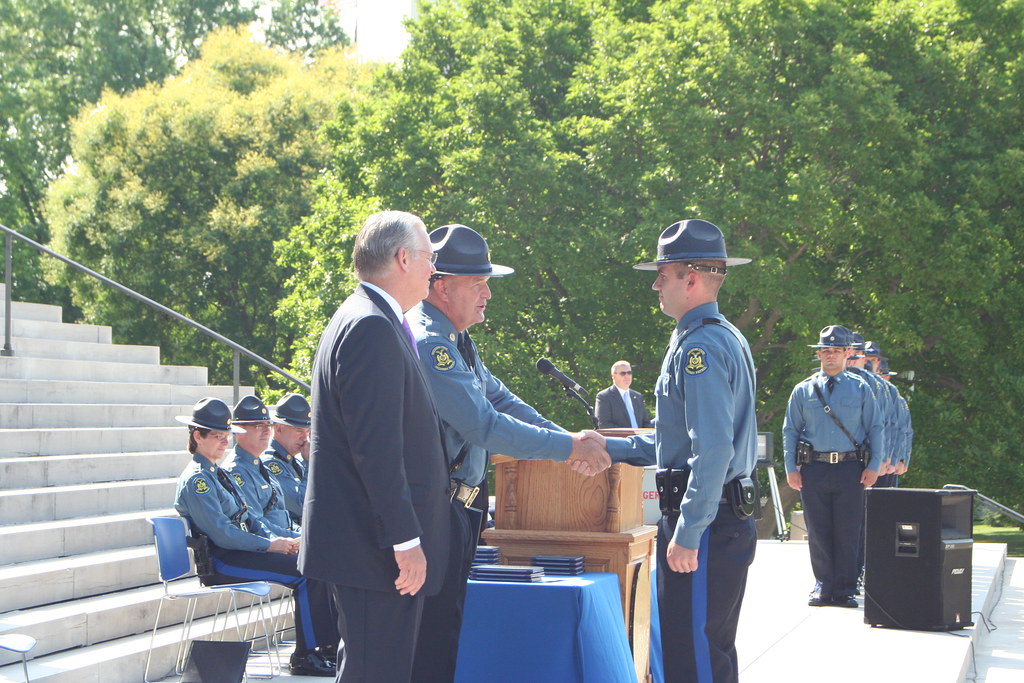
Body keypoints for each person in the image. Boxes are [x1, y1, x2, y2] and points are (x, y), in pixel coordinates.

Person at [408, 223, 612, 682]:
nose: (488, 294)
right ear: (441, 285)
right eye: (478, 283)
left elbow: (500, 398)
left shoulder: (458, 340)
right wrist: (569, 448)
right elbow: (484, 425)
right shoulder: (431, 343)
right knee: (429, 640)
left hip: (460, 509)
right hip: (433, 513)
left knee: (446, 634)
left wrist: (570, 439)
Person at [299, 210, 451, 683]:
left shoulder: (370, 317)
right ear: (403, 258)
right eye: (430, 258)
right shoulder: (371, 327)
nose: (434, 269)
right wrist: (406, 542)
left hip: (370, 548)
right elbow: (377, 450)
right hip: (375, 551)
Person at [603, 219, 758, 683]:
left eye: (662, 274)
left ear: (690, 279)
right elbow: (679, 441)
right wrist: (609, 447)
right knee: (696, 650)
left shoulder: (701, 347)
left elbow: (712, 451)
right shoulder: (716, 336)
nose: (655, 284)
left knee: (693, 657)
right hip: (715, 515)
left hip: (706, 522)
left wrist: (689, 531)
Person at [173, 397, 336, 677]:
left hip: (239, 552)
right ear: (197, 436)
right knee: (306, 572)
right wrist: (269, 546)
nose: (225, 442)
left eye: (227, 436)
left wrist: (286, 542)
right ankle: (306, 655)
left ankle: (325, 646)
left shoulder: (216, 473)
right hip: (221, 562)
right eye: (217, 436)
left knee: (312, 560)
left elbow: (253, 519)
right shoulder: (197, 480)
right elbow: (222, 534)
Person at [782, 325, 884, 608]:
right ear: (818, 354)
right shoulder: (803, 390)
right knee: (818, 529)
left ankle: (845, 589)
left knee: (848, 530)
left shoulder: (861, 388)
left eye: (836, 351)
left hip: (850, 468)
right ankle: (823, 585)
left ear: (847, 353)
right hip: (814, 468)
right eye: (825, 350)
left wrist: (874, 465)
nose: (829, 356)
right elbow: (790, 430)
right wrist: (791, 467)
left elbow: (875, 428)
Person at [223, 395, 298, 536]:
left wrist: (302, 533)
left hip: (285, 539)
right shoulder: (235, 471)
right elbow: (256, 523)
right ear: (239, 431)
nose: (266, 431)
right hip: (268, 544)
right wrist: (298, 539)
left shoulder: (261, 466)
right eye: (259, 426)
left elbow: (282, 515)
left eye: (268, 425)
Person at [261, 393, 311, 526]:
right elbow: (300, 505)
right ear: (279, 428)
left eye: (308, 432)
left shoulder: (296, 462)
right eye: (299, 431)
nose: (305, 438)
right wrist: (311, 464)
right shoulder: (270, 463)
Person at [595, 360, 654, 429]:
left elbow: (646, 423)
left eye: (629, 373)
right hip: (619, 439)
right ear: (613, 376)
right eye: (623, 373)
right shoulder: (604, 397)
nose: (627, 376)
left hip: (640, 438)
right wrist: (630, 434)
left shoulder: (638, 397)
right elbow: (604, 424)